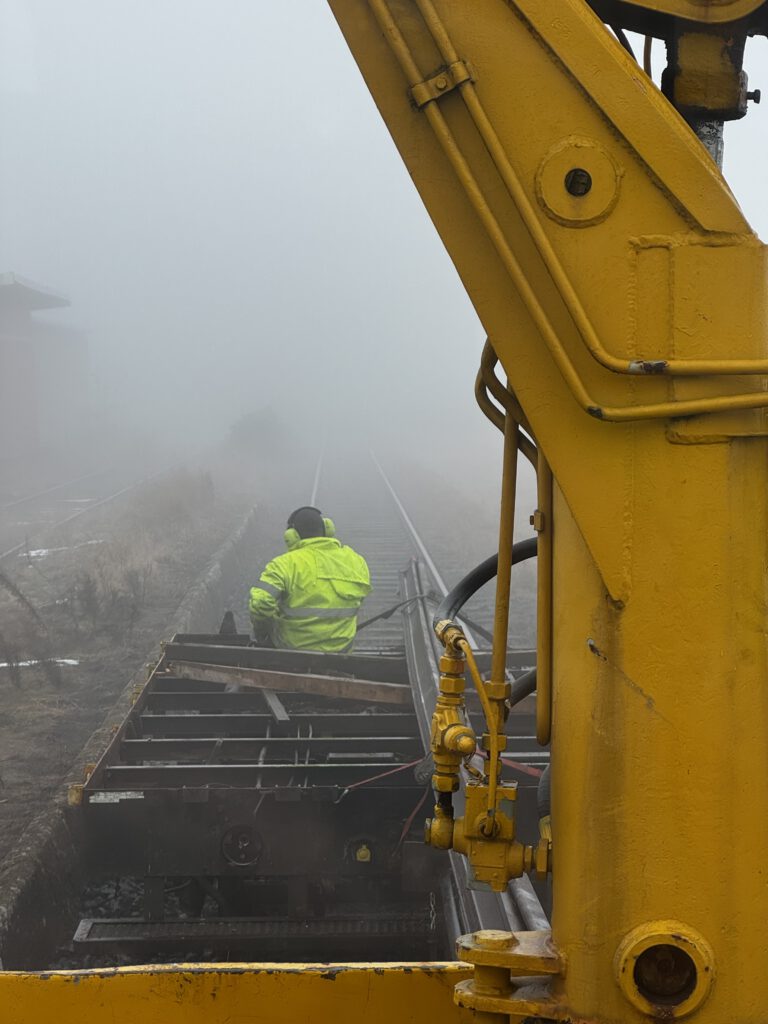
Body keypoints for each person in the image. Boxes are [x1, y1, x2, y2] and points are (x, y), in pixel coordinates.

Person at [249, 506, 371, 653]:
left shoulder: (284, 564)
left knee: (266, 613)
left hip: (293, 651)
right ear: (327, 530)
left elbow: (260, 604)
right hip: (341, 652)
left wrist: (262, 630)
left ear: (292, 535)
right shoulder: (356, 561)